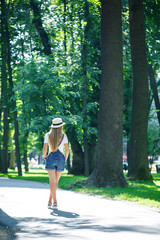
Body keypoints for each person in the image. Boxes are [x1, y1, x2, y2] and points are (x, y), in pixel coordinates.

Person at [43, 118, 69, 209]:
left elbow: (45, 148)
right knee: (55, 182)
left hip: (50, 157)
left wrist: (44, 156)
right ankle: (54, 202)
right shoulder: (64, 136)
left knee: (52, 182)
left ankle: (51, 201)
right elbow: (67, 150)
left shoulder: (47, 135)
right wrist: (65, 158)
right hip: (60, 158)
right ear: (61, 126)